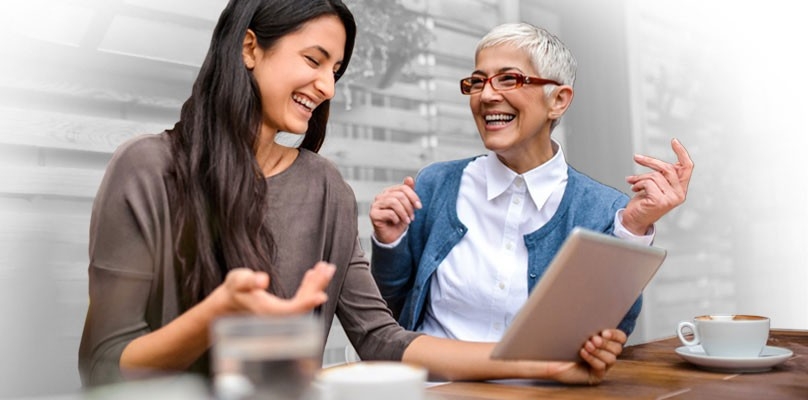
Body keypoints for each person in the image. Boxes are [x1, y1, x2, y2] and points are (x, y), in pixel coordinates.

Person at [78, 2, 626, 388]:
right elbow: (103, 366)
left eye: (335, 69)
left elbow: (382, 338)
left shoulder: (325, 188)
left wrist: (543, 364)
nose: (327, 86)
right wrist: (218, 312)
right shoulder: (148, 168)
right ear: (250, 48)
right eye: (313, 60)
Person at [369, 22, 693, 342]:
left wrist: (632, 230)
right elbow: (389, 314)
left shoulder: (606, 211)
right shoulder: (435, 185)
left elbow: (609, 333)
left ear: (558, 100)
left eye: (509, 79)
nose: (487, 95)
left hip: (537, 380)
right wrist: (390, 243)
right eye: (478, 82)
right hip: (432, 377)